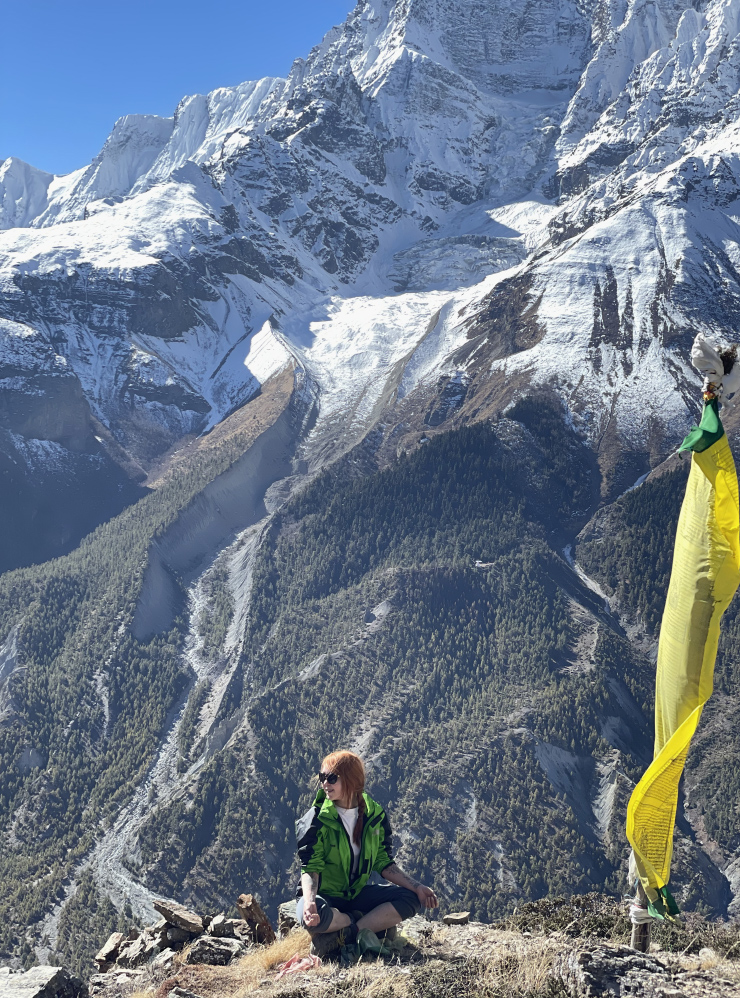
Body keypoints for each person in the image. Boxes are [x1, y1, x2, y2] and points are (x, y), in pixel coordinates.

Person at [295, 750, 438, 957]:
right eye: (322, 777)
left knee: (411, 899)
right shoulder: (317, 819)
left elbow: (384, 863)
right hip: (326, 896)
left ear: (351, 780)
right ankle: (357, 923)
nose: (325, 783)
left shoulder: (375, 815)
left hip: (356, 894)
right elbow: (311, 867)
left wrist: (417, 886)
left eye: (331, 778)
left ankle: (350, 932)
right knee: (315, 918)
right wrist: (309, 902)